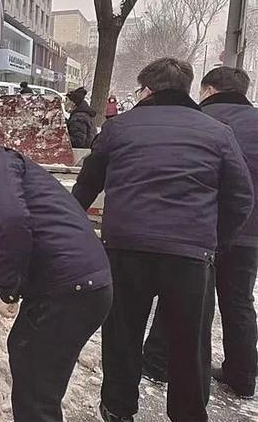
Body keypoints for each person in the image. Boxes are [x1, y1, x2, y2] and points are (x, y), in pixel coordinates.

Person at [72, 57, 254, 422]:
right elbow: (241, 198)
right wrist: (215, 242)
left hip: (126, 250)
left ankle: (117, 411)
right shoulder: (217, 132)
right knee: (190, 345)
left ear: (148, 90)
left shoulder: (119, 127)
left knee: (121, 336)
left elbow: (87, 186)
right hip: (189, 257)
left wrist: (72, 235)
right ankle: (188, 415)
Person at [0, 114, 112, 422]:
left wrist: (10, 290)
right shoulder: (2, 162)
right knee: (31, 363)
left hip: (67, 287)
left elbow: (9, 224)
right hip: (82, 284)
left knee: (35, 380)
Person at [142, 66, 258, 399]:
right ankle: (243, 374)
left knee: (181, 297)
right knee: (238, 301)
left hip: (195, 229)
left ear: (207, 90)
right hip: (247, 231)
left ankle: (158, 363)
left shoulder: (195, 120)